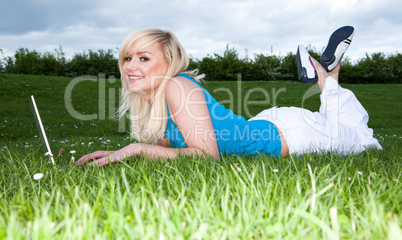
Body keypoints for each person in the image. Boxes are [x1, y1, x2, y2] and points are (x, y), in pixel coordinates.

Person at [75, 26, 382, 167]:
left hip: (294, 134)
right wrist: (115, 155)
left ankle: (327, 76)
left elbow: (207, 156)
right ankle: (328, 75)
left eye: (143, 58)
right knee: (345, 128)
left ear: (169, 61)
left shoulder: (177, 86)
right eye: (127, 58)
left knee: (365, 141)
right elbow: (169, 144)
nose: (130, 66)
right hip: (272, 127)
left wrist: (136, 149)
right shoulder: (160, 100)